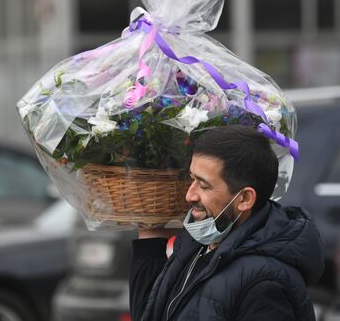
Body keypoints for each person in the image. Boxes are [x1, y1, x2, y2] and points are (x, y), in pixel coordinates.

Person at [129, 125, 324, 321]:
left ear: (245, 199)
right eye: (192, 179)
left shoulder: (264, 282)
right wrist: (150, 236)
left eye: (204, 185)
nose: (190, 195)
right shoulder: (197, 247)